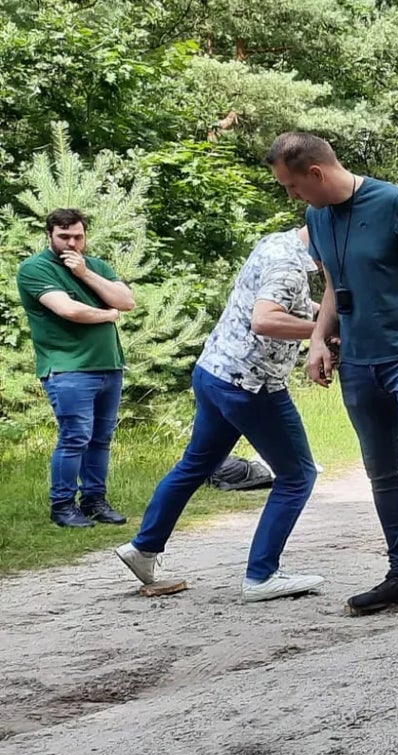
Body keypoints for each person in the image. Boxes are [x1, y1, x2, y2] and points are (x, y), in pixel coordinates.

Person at [266, 130, 398, 615]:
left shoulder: (394, 203)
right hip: (358, 364)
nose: (291, 195)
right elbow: (332, 286)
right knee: (381, 471)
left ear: (315, 173)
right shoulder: (316, 216)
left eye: (292, 185)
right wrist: (319, 339)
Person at [114, 225, 324, 602]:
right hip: (251, 385)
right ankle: (262, 574)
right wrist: (321, 331)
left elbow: (276, 300)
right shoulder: (288, 265)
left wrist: (321, 313)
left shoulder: (277, 242)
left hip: (214, 372)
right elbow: (265, 318)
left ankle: (143, 548)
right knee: (298, 476)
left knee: (195, 465)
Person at [17, 207, 136, 528]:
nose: (71, 243)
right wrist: (108, 314)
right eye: (64, 236)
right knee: (75, 438)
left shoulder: (94, 266)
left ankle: (95, 501)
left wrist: (85, 273)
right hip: (68, 368)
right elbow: (68, 309)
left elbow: (126, 300)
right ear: (49, 235)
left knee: (101, 439)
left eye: (78, 237)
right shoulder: (35, 268)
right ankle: (63, 506)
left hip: (109, 366)